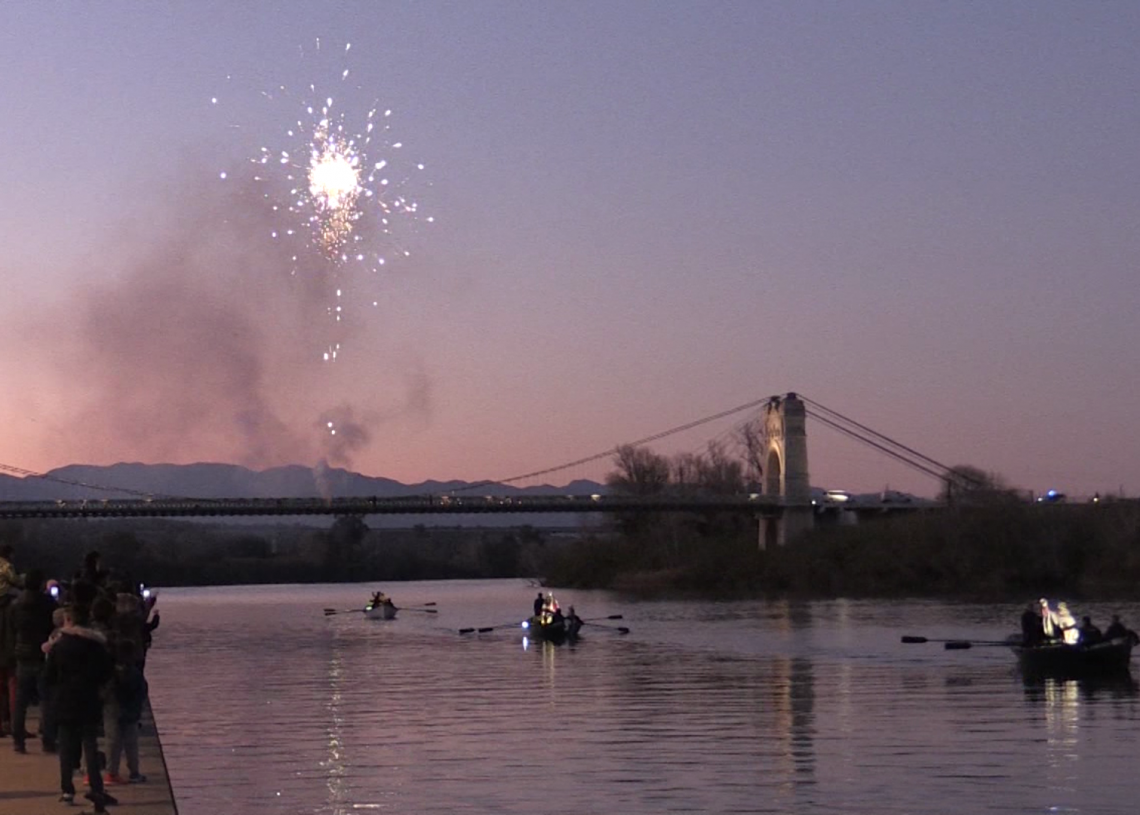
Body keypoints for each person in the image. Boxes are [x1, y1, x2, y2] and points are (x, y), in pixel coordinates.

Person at [44, 584, 116, 812]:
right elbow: (106, 672)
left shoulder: (59, 647)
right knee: (90, 746)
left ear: (68, 620)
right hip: (89, 699)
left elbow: (48, 676)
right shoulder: (96, 646)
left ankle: (67, 790)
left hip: (65, 700)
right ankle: (96, 787)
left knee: (66, 748)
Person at [11, 569, 57, 753]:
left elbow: (13, 626)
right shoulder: (47, 603)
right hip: (42, 651)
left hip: (22, 651)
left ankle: (18, 740)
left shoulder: (16, 604)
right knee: (47, 698)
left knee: (20, 699)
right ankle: (48, 739)